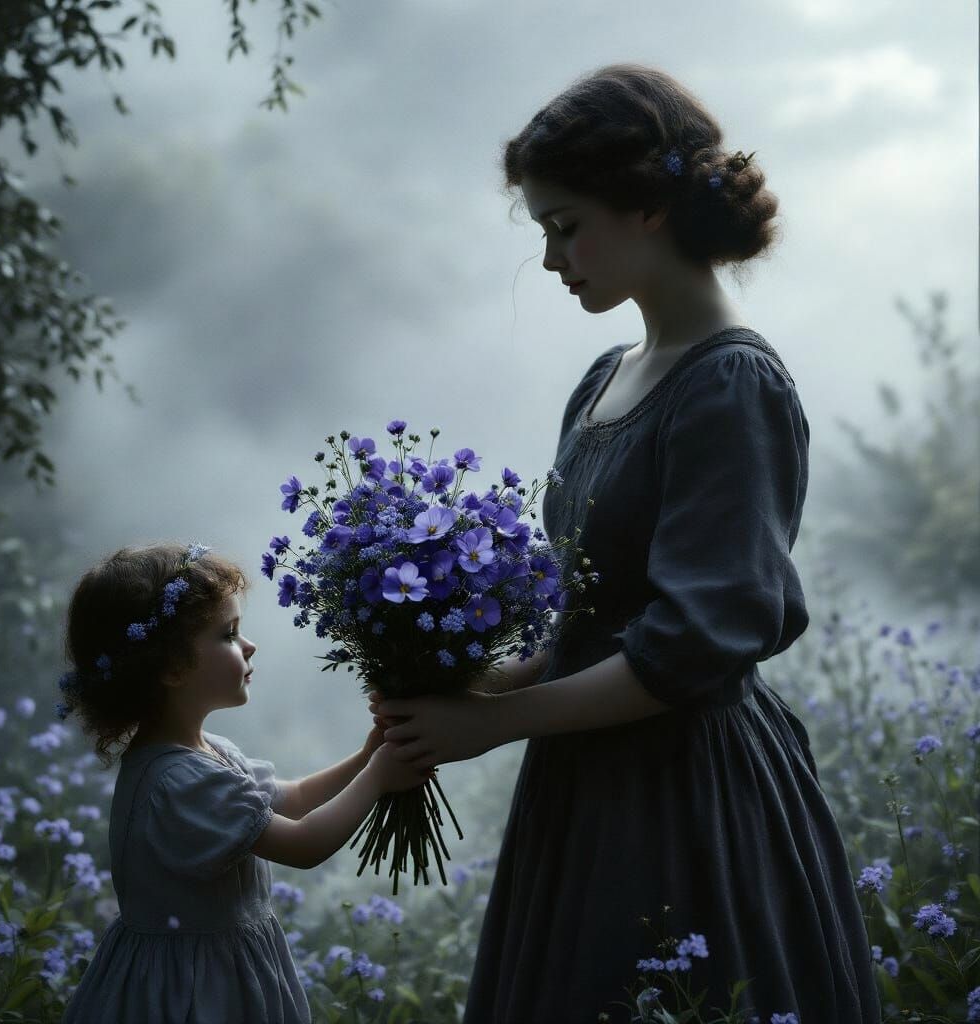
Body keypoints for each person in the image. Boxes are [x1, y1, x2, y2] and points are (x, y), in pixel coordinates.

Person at [367, 65, 882, 1024]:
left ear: (649, 205)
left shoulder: (732, 386)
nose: (552, 259)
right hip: (584, 780)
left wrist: (498, 723)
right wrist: (485, 681)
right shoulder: (605, 377)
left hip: (686, 794)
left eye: (566, 226)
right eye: (543, 232)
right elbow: (595, 612)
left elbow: (691, 642)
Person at [57, 542, 430, 1024]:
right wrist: (378, 777)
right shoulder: (180, 782)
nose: (249, 645)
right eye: (229, 634)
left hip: (219, 968)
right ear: (171, 667)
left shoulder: (206, 754)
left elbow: (294, 799)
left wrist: (365, 758)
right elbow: (304, 844)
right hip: (195, 990)